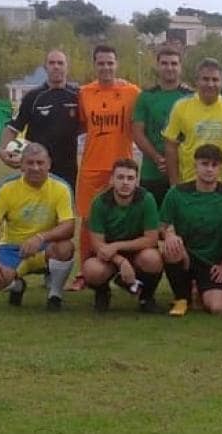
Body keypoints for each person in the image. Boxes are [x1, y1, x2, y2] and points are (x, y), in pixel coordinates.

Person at [74, 44, 141, 286]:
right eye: (101, 63)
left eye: (110, 63)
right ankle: (84, 272)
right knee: (88, 221)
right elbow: (81, 125)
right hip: (92, 167)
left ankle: (126, 269)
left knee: (125, 219)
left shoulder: (132, 91)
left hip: (122, 168)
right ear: (94, 65)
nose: (106, 67)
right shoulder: (84, 93)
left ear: (117, 64)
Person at [0, 142, 76, 310]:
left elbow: (69, 226)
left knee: (65, 248)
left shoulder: (61, 188)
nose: (35, 167)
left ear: (49, 164)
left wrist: (40, 238)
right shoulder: (6, 188)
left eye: (40, 163)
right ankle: (17, 286)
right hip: (13, 249)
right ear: (21, 165)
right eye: (30, 162)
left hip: (45, 248)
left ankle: (55, 295)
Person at [159, 144, 222, 316]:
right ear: (195, 165)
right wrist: (170, 234)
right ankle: (182, 298)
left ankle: (201, 290)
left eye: (214, 165)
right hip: (186, 257)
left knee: (218, 309)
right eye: (204, 164)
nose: (209, 169)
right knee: (170, 247)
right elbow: (163, 224)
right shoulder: (177, 193)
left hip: (214, 263)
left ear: (220, 168)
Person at [83, 158, 163, 313]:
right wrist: (120, 261)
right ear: (112, 179)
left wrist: (118, 246)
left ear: (137, 181)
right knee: (91, 270)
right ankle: (102, 293)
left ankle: (146, 297)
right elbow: (97, 244)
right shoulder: (99, 202)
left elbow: (151, 239)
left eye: (130, 178)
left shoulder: (147, 199)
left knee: (153, 259)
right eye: (120, 177)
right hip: (108, 256)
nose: (125, 182)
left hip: (137, 252)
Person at [0, 50, 80, 190]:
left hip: (68, 169)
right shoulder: (32, 97)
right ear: (45, 67)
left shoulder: (78, 96)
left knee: (65, 210)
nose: (56, 66)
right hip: (36, 167)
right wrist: (1, 150)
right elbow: (13, 127)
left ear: (67, 67)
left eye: (60, 63)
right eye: (52, 63)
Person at [162, 58, 222, 187]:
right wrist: (174, 183)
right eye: (205, 79)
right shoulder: (180, 106)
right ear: (196, 81)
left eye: (215, 80)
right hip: (188, 181)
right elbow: (170, 145)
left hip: (220, 183)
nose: (210, 84)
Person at [132, 46, 192, 206]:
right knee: (152, 223)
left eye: (174, 63)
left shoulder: (191, 96)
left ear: (180, 67)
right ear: (157, 66)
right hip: (152, 172)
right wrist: (157, 158)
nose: (169, 67)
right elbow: (137, 133)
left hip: (184, 172)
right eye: (164, 63)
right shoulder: (145, 97)